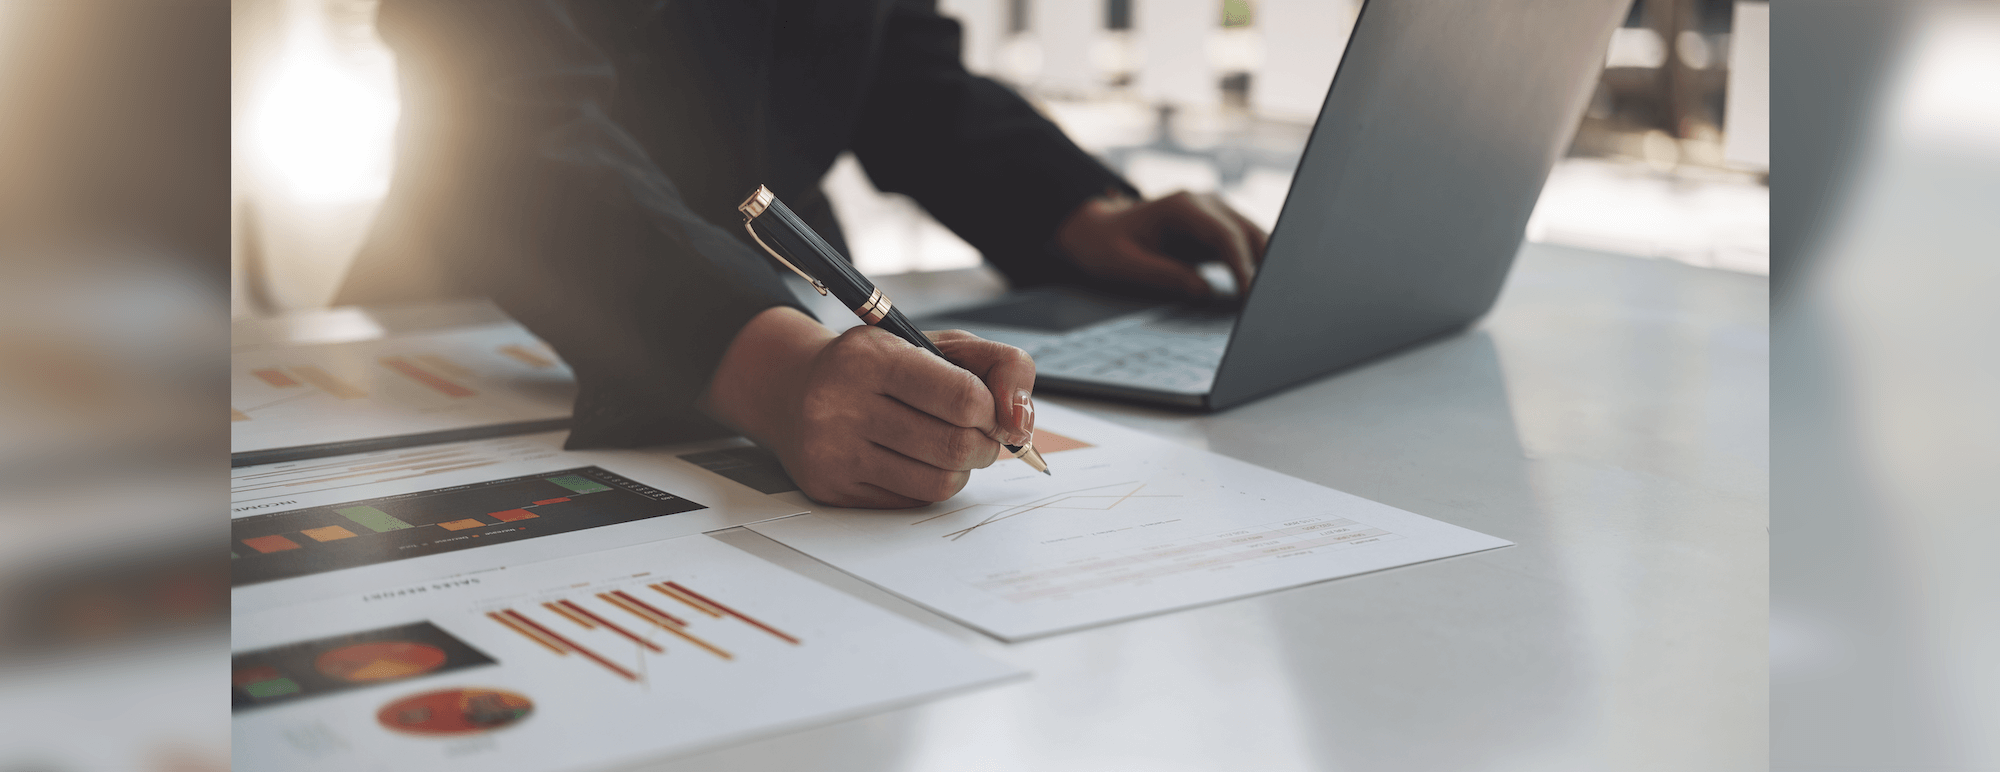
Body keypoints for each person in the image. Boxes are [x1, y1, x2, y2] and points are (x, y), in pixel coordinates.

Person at [339, 1, 1267, 507]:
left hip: (795, 322)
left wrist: (1076, 212)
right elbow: (502, 131)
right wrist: (772, 369)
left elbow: (895, 55)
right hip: (464, 332)